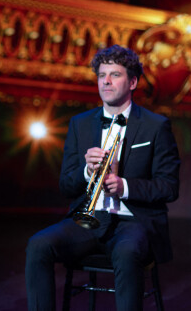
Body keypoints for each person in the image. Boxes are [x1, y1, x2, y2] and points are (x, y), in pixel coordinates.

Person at [25, 45, 181, 310]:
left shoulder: (156, 126)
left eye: (115, 75)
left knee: (127, 252)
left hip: (134, 220)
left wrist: (124, 187)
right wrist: (87, 172)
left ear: (132, 82)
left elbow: (169, 187)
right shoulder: (80, 123)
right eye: (101, 75)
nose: (106, 81)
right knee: (38, 245)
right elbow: (66, 185)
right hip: (89, 220)